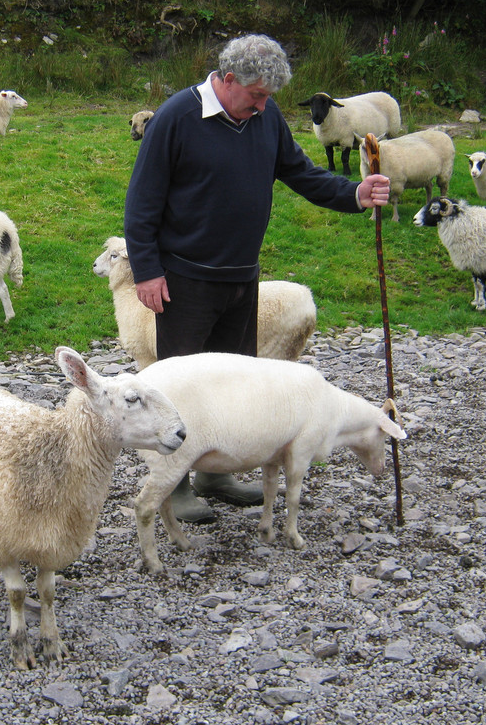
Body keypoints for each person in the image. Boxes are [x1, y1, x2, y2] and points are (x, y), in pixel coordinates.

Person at [123, 33, 391, 523]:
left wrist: (355, 193)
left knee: (231, 383)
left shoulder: (265, 119)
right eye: (257, 95)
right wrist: (147, 270)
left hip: (241, 278)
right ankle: (173, 484)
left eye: (268, 97)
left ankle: (215, 475)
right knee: (180, 383)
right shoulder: (177, 118)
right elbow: (142, 200)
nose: (264, 105)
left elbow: (302, 173)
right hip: (183, 280)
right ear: (227, 80)